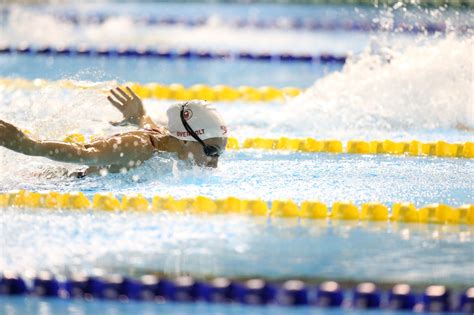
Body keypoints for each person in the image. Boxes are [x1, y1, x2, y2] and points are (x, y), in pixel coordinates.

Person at [0, 87, 228, 176]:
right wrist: (29, 145)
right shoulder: (137, 147)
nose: (214, 162)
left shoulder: (165, 141)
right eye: (211, 150)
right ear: (186, 139)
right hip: (58, 181)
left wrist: (138, 116)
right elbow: (84, 153)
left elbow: (148, 124)